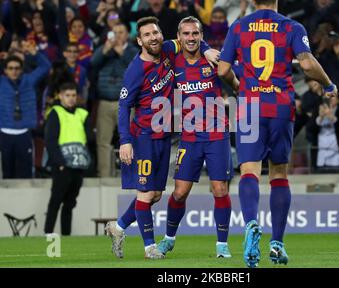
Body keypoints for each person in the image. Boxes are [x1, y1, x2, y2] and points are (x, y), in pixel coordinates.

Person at [218, 0, 337, 268]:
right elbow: (307, 64)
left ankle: (250, 224)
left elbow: (221, 70)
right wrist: (329, 84)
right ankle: (277, 244)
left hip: (249, 105)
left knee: (248, 170)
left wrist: (239, 85)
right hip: (281, 105)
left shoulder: (239, 26)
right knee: (279, 173)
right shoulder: (291, 26)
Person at [104, 16, 218, 259]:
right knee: (145, 195)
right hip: (143, 137)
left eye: (155, 32)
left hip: (164, 136)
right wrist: (125, 140)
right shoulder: (135, 70)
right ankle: (149, 247)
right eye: (147, 35)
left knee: (155, 195)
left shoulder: (168, 48)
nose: (153, 38)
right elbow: (124, 106)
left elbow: (191, 40)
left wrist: (207, 50)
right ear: (139, 40)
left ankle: (118, 227)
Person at [156, 17, 234, 258]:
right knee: (179, 192)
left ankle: (222, 245)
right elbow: (156, 46)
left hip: (217, 133)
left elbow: (234, 78)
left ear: (201, 35)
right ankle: (169, 239)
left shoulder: (212, 60)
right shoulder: (173, 61)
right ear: (179, 37)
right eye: (186, 34)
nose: (191, 38)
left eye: (195, 34)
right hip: (189, 136)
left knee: (220, 189)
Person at [0, 30, 51, 179]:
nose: (14, 71)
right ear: (5, 70)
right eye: (10, 68)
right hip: (5, 134)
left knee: (25, 173)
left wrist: (34, 52)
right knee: (7, 173)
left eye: (17, 68)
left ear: (21, 70)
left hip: (24, 134)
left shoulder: (29, 80)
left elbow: (45, 67)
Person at [91, 23, 138, 177]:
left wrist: (120, 53)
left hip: (125, 103)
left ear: (127, 35)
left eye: (121, 32)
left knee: (129, 139)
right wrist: (105, 49)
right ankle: (105, 175)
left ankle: (133, 173)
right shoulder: (105, 50)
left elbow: (136, 69)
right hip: (105, 102)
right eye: (115, 32)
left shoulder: (132, 51)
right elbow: (93, 63)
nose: (117, 35)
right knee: (103, 142)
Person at [44, 82, 91, 235]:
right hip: (63, 165)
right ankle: (48, 233)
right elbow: (50, 140)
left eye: (73, 95)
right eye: (67, 95)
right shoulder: (55, 112)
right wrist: (60, 163)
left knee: (70, 203)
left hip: (78, 166)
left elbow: (89, 139)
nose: (71, 99)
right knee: (55, 201)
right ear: (60, 96)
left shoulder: (82, 114)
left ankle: (66, 235)